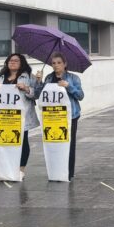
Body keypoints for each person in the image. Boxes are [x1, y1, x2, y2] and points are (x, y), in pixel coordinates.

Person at [0, 53, 40, 180]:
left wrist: (27, 88)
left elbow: (36, 94)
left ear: (22, 64)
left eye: (16, 60)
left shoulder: (28, 77)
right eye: (10, 60)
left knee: (23, 142)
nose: (13, 62)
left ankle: (21, 170)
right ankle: (6, 169)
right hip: (3, 117)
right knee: (5, 142)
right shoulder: (0, 77)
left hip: (21, 116)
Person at [34, 52, 84, 181]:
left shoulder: (73, 78)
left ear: (65, 64)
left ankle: (68, 173)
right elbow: (39, 95)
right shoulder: (49, 78)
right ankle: (55, 171)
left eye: (59, 63)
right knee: (54, 142)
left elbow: (80, 96)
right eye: (53, 63)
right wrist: (39, 81)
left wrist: (69, 86)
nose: (56, 66)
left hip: (70, 116)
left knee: (69, 144)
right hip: (52, 116)